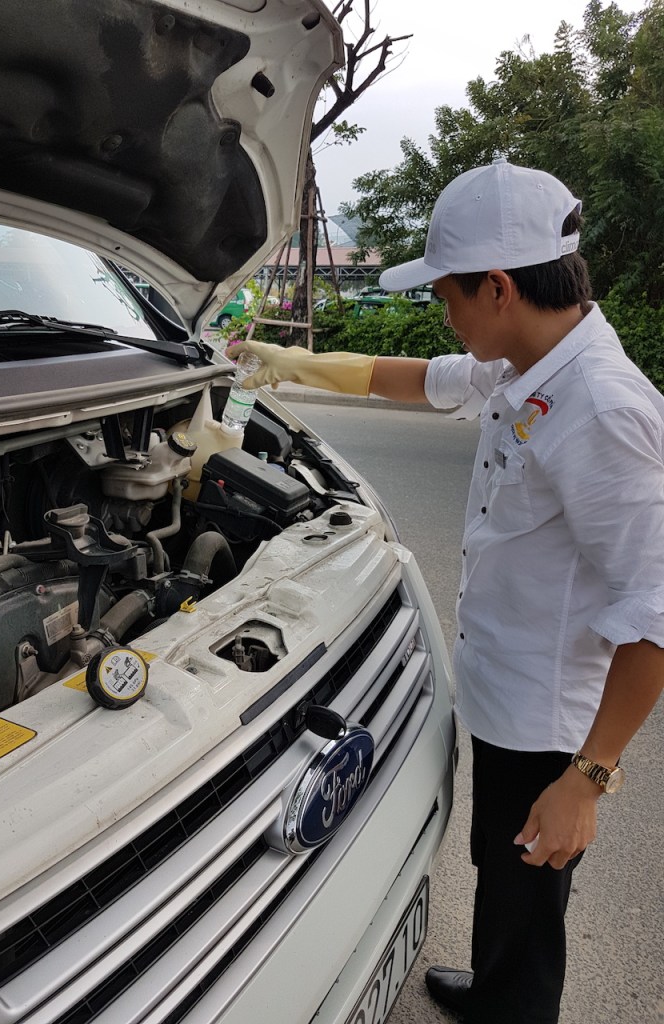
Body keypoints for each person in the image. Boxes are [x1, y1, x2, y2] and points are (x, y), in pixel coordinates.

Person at [227, 157, 664, 1024]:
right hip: (503, 695)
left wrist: (587, 781)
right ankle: (494, 985)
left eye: (445, 294)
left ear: (498, 286)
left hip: (548, 727)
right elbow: (418, 380)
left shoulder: (603, 409)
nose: (443, 311)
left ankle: (514, 1003)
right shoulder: (525, 360)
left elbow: (655, 614)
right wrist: (295, 364)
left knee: (530, 896)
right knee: (500, 864)